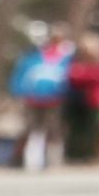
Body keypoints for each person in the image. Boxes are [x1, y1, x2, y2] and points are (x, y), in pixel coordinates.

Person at [8, 27, 73, 172]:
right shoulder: (34, 57)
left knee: (54, 130)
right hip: (33, 99)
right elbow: (21, 76)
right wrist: (20, 92)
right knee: (33, 129)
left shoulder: (67, 57)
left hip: (55, 100)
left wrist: (64, 92)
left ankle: (54, 161)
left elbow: (70, 78)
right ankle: (31, 161)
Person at [63, 32, 99, 164]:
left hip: (94, 98)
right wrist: (88, 75)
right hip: (75, 98)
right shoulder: (76, 59)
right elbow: (72, 76)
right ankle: (72, 155)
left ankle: (87, 155)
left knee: (90, 128)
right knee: (74, 127)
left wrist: (86, 74)